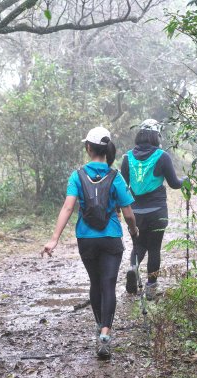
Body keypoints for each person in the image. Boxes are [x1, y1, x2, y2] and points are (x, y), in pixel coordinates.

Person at [41, 126, 138, 359]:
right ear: (107, 149)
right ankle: (105, 334)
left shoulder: (77, 176)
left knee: (95, 283)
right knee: (109, 284)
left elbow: (67, 207)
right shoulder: (116, 176)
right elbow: (128, 212)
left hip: (86, 239)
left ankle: (98, 326)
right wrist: (133, 230)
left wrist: (54, 239)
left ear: (88, 148)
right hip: (111, 238)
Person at [121, 119, 185, 300]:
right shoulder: (162, 156)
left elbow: (123, 186)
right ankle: (150, 289)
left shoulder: (127, 158)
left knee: (139, 245)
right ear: (156, 135)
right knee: (154, 248)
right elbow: (174, 184)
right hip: (157, 211)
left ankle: (133, 268)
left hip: (135, 212)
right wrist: (185, 180)